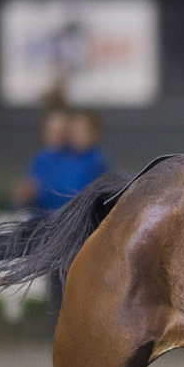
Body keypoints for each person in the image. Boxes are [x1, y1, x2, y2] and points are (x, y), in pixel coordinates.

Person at [13, 108, 110, 321]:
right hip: (54, 235)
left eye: (81, 130)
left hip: (79, 236)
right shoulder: (53, 158)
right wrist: (26, 196)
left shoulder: (94, 161)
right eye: (74, 130)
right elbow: (34, 194)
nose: (75, 134)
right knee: (58, 294)